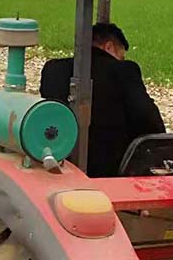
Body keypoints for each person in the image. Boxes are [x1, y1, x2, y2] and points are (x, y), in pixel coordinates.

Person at [40, 22, 165, 177]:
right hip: (111, 169)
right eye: (121, 56)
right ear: (109, 47)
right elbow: (148, 118)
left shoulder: (53, 69)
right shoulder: (124, 70)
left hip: (61, 162)